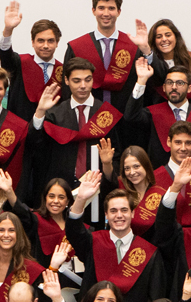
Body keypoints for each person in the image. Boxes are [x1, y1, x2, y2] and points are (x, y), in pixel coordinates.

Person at [67, 173, 167, 302]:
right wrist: (81, 199)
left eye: (124, 210)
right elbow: (74, 231)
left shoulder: (149, 252)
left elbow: (155, 297)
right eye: (113, 211)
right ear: (106, 215)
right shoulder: (93, 241)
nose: (119, 215)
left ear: (133, 213)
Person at [28, 58, 123, 209]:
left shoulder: (105, 113)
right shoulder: (55, 113)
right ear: (66, 80)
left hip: (96, 191)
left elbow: (116, 156)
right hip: (60, 190)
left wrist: (107, 166)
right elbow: (34, 144)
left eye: (88, 80)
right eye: (77, 81)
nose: (83, 86)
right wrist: (40, 112)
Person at [62, 0, 142, 112]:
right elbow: (67, 89)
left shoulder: (133, 47)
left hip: (126, 118)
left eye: (111, 8)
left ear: (119, 12)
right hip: (87, 118)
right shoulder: (76, 47)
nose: (106, 13)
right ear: (93, 11)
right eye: (101, 8)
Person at [124, 61, 191, 167]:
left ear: (190, 88)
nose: (174, 87)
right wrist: (141, 81)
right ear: (163, 87)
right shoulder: (152, 113)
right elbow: (130, 116)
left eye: (180, 83)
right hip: (160, 179)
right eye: (169, 83)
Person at [0, 2, 63, 121]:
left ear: (57, 43)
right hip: (20, 129)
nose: (46, 46)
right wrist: (8, 30)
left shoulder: (63, 70)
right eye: (41, 41)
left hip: (52, 132)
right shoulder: (19, 63)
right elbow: (5, 53)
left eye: (51, 41)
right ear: (32, 42)